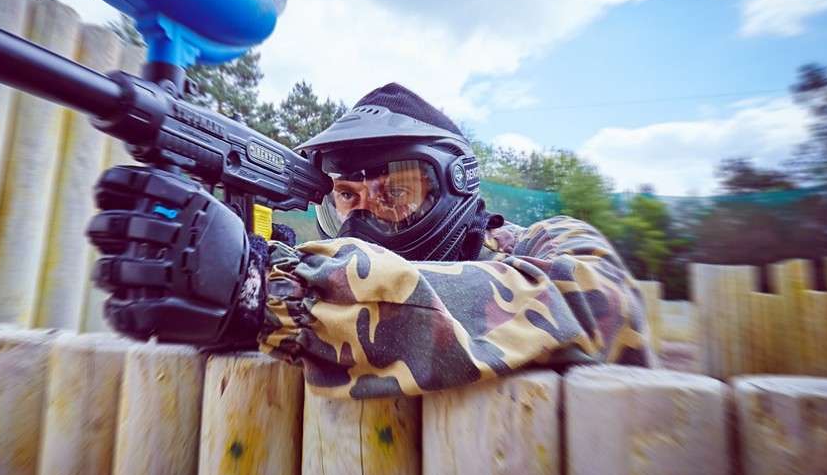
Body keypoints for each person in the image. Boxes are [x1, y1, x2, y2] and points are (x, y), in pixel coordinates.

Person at [88, 83, 652, 398]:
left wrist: (271, 291)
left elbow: (600, 301)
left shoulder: (547, 243)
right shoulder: (324, 299)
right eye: (346, 197)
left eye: (393, 193)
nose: (365, 218)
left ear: (455, 184)